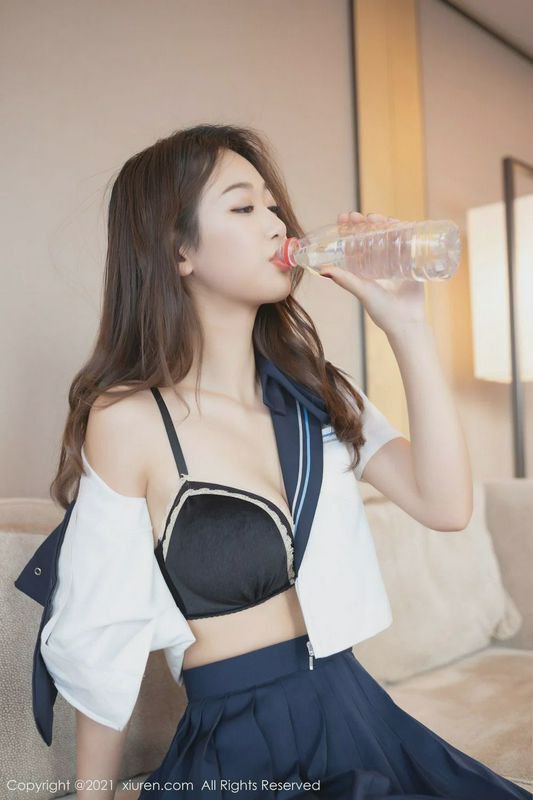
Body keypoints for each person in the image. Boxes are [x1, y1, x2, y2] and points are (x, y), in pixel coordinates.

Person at [33, 124, 527, 799]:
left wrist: (407, 325)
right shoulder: (128, 421)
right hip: (236, 745)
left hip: (358, 714)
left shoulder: (315, 391)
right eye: (243, 207)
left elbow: (446, 506)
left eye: (272, 205)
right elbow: (100, 636)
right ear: (179, 250)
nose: (276, 223)